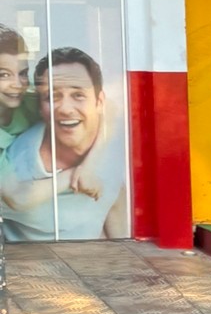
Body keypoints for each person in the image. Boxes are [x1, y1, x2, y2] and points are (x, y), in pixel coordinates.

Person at [0, 46, 126, 241]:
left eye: (22, 74)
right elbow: (17, 198)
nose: (66, 108)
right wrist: (73, 176)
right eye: (3, 75)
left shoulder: (28, 98)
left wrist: (89, 165)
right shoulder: (16, 164)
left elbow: (110, 107)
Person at [0, 24, 35, 156]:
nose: (18, 84)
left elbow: (100, 107)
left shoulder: (33, 98)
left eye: (23, 73)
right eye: (4, 75)